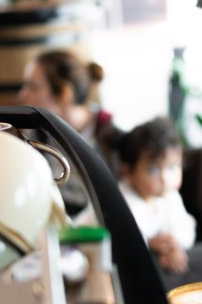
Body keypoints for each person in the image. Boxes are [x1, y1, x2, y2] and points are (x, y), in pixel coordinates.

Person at [18, 49, 123, 215]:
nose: (22, 95)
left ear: (63, 94)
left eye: (33, 87)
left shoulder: (111, 134)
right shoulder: (36, 134)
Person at [116, 117, 196, 273]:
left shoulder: (170, 196)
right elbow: (123, 243)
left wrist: (173, 245)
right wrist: (150, 243)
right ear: (128, 172)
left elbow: (186, 228)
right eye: (153, 170)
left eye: (172, 167)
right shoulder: (122, 200)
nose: (165, 178)